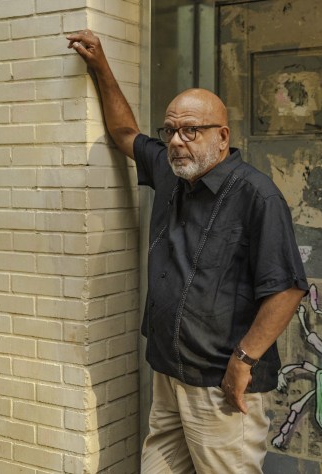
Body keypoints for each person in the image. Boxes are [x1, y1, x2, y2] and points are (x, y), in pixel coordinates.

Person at [66, 30, 308, 473]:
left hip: (221, 383)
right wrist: (99, 63)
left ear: (222, 136)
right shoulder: (171, 171)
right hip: (168, 372)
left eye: (191, 130)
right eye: (172, 130)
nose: (178, 141)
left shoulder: (257, 196)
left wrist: (243, 360)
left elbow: (288, 289)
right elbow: (124, 132)